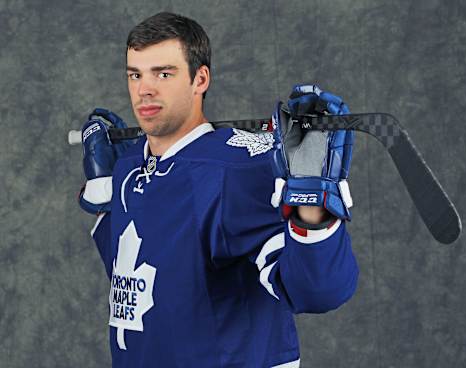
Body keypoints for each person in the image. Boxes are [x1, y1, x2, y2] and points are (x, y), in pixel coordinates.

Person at [78, 11, 358, 368]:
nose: (144, 89)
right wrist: (108, 195)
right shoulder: (132, 166)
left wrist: (312, 203)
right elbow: (141, 282)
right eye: (135, 75)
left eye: (164, 73)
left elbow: (319, 290)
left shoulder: (237, 169)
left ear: (200, 79)